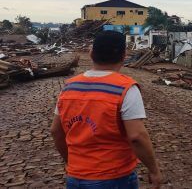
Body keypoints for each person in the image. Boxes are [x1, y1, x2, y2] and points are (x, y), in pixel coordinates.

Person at [51, 30, 163, 188]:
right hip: (114, 177)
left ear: (91, 54)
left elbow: (56, 131)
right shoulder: (125, 88)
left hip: (75, 178)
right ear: (124, 57)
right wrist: (154, 170)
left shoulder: (70, 86)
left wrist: (72, 162)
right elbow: (136, 136)